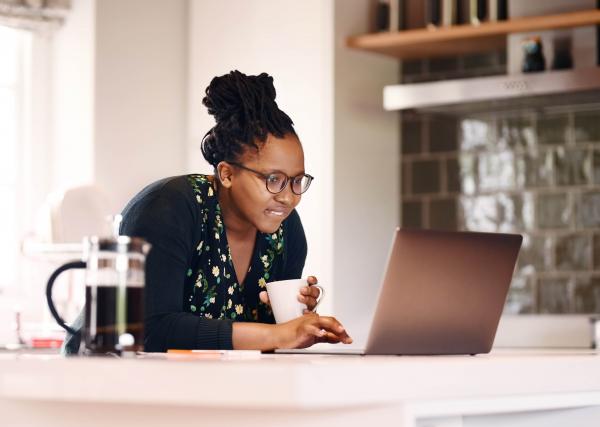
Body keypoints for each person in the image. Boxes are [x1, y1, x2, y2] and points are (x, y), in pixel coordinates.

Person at [100, 70, 351, 352]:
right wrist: (278, 335)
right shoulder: (168, 209)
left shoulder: (286, 230)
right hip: (105, 382)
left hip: (216, 387)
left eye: (296, 181)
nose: (288, 198)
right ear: (227, 174)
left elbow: (268, 342)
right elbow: (150, 330)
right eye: (273, 180)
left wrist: (294, 320)